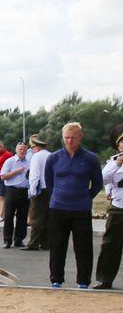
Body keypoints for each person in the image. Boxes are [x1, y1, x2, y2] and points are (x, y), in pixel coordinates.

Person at [45, 122, 103, 288]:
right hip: (58, 207)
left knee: (83, 247)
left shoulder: (91, 158)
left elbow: (97, 184)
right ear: (62, 138)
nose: (69, 141)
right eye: (66, 138)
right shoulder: (53, 158)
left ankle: (83, 281)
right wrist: (58, 195)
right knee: (57, 245)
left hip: (81, 209)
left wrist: (86, 197)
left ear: (80, 137)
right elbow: (49, 182)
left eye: (73, 137)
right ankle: (56, 279)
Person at [94, 128, 123, 289]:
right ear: (118, 146)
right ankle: (104, 279)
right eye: (122, 142)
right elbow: (102, 179)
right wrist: (117, 164)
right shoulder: (113, 162)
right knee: (110, 245)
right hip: (119, 208)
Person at [23, 135, 52, 251]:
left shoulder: (36, 157)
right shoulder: (51, 155)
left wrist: (33, 191)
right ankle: (46, 243)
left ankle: (33, 243)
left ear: (36, 147)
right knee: (47, 217)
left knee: (36, 218)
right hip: (50, 189)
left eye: (32, 147)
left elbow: (34, 175)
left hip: (40, 190)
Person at [0, 143, 30, 248]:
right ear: (16, 150)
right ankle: (7, 240)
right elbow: (3, 176)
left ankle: (19, 240)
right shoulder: (10, 161)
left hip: (24, 191)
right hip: (12, 190)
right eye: (20, 149)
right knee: (9, 216)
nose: (22, 151)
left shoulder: (29, 162)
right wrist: (16, 172)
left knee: (22, 217)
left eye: (24, 149)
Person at [0, 141, 13, 222]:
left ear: (3, 147)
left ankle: (1, 215)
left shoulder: (8, 155)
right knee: (0, 196)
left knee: (2, 197)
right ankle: (3, 214)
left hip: (4, 178)